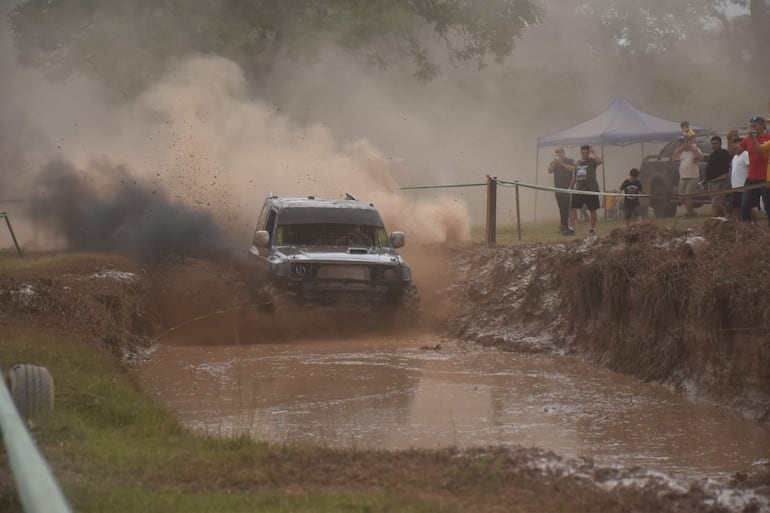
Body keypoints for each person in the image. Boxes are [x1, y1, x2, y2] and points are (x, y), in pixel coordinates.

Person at [728, 115, 770, 226]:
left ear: (762, 126)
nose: (752, 128)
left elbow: (760, 152)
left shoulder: (768, 138)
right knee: (745, 205)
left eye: (755, 126)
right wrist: (729, 139)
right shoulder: (747, 139)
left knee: (768, 206)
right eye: (751, 126)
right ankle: (746, 229)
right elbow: (734, 152)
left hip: (766, 178)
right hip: (752, 178)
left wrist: (754, 140)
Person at [569, 144, 602, 236]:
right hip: (579, 189)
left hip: (591, 189)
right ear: (581, 152)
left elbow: (600, 161)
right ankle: (571, 228)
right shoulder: (578, 162)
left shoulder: (592, 161)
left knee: (592, 209)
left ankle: (593, 229)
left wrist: (593, 152)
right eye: (583, 153)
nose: (584, 154)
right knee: (572, 208)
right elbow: (575, 176)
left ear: (588, 152)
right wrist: (571, 186)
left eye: (586, 152)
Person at [547, 146, 576, 235]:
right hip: (557, 188)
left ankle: (567, 226)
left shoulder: (569, 160)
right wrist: (555, 163)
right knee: (561, 208)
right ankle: (562, 226)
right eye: (556, 152)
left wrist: (562, 163)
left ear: (563, 152)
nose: (558, 154)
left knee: (566, 208)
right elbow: (549, 170)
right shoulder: (554, 162)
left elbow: (574, 169)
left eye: (559, 152)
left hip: (567, 188)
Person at [673, 137, 703, 218]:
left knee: (688, 196)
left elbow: (701, 158)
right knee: (681, 197)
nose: (684, 144)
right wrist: (678, 150)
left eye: (685, 142)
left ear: (689, 142)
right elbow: (674, 159)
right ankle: (692, 211)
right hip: (682, 176)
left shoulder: (695, 149)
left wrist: (694, 150)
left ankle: (689, 213)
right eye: (682, 142)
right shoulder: (681, 151)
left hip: (693, 176)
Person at [704, 135, 731, 217]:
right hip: (711, 183)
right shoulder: (712, 154)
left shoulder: (724, 153)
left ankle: (713, 220)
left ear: (720, 144)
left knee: (716, 203)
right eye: (712, 144)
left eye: (715, 143)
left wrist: (717, 179)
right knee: (716, 202)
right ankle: (726, 217)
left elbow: (726, 171)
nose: (713, 146)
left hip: (721, 182)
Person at [729, 135, 750, 220]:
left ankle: (752, 225)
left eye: (738, 144)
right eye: (735, 144)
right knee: (735, 208)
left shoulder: (746, 154)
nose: (736, 146)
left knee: (748, 207)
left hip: (744, 187)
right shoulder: (735, 157)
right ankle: (738, 226)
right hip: (735, 188)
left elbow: (750, 167)